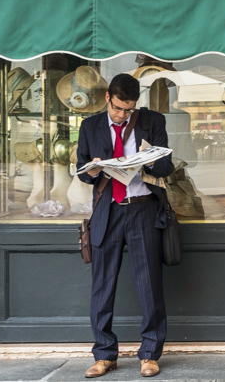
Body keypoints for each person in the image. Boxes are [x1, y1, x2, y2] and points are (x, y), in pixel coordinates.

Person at [77, 73, 174, 378]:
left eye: (129, 109)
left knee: (149, 284)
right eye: (118, 108)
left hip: (142, 209)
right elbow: (81, 170)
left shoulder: (152, 121)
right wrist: (93, 170)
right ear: (108, 97)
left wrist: (149, 160)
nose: (122, 114)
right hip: (107, 210)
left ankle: (150, 354)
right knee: (102, 286)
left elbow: (166, 166)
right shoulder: (90, 126)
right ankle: (104, 354)